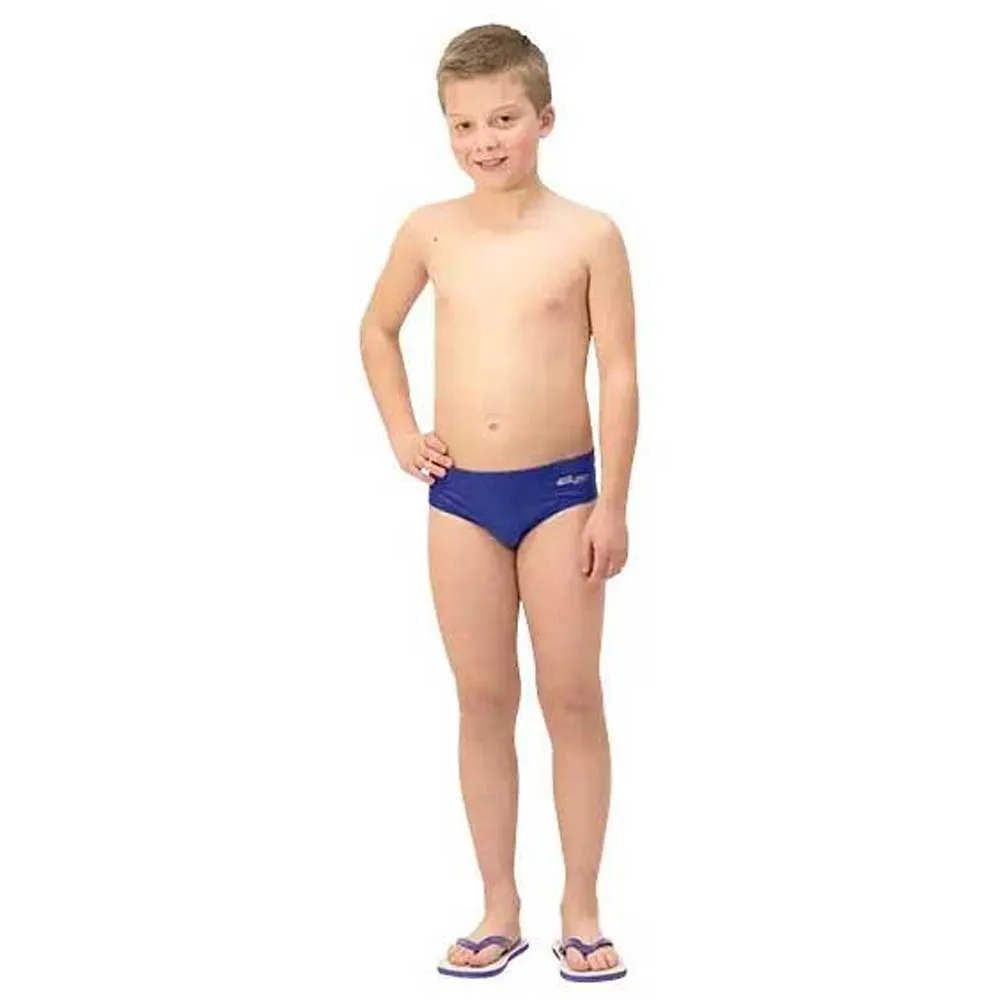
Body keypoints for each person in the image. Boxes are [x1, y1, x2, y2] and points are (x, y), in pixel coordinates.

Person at [359, 23, 638, 983]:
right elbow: (376, 329)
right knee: (482, 698)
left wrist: (613, 503)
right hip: (461, 499)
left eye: (504, 119)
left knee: (572, 694)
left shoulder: (589, 235)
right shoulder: (429, 230)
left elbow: (621, 373)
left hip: (561, 494)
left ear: (545, 119)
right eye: (464, 124)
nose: (484, 140)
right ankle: (498, 905)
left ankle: (582, 907)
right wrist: (404, 432)